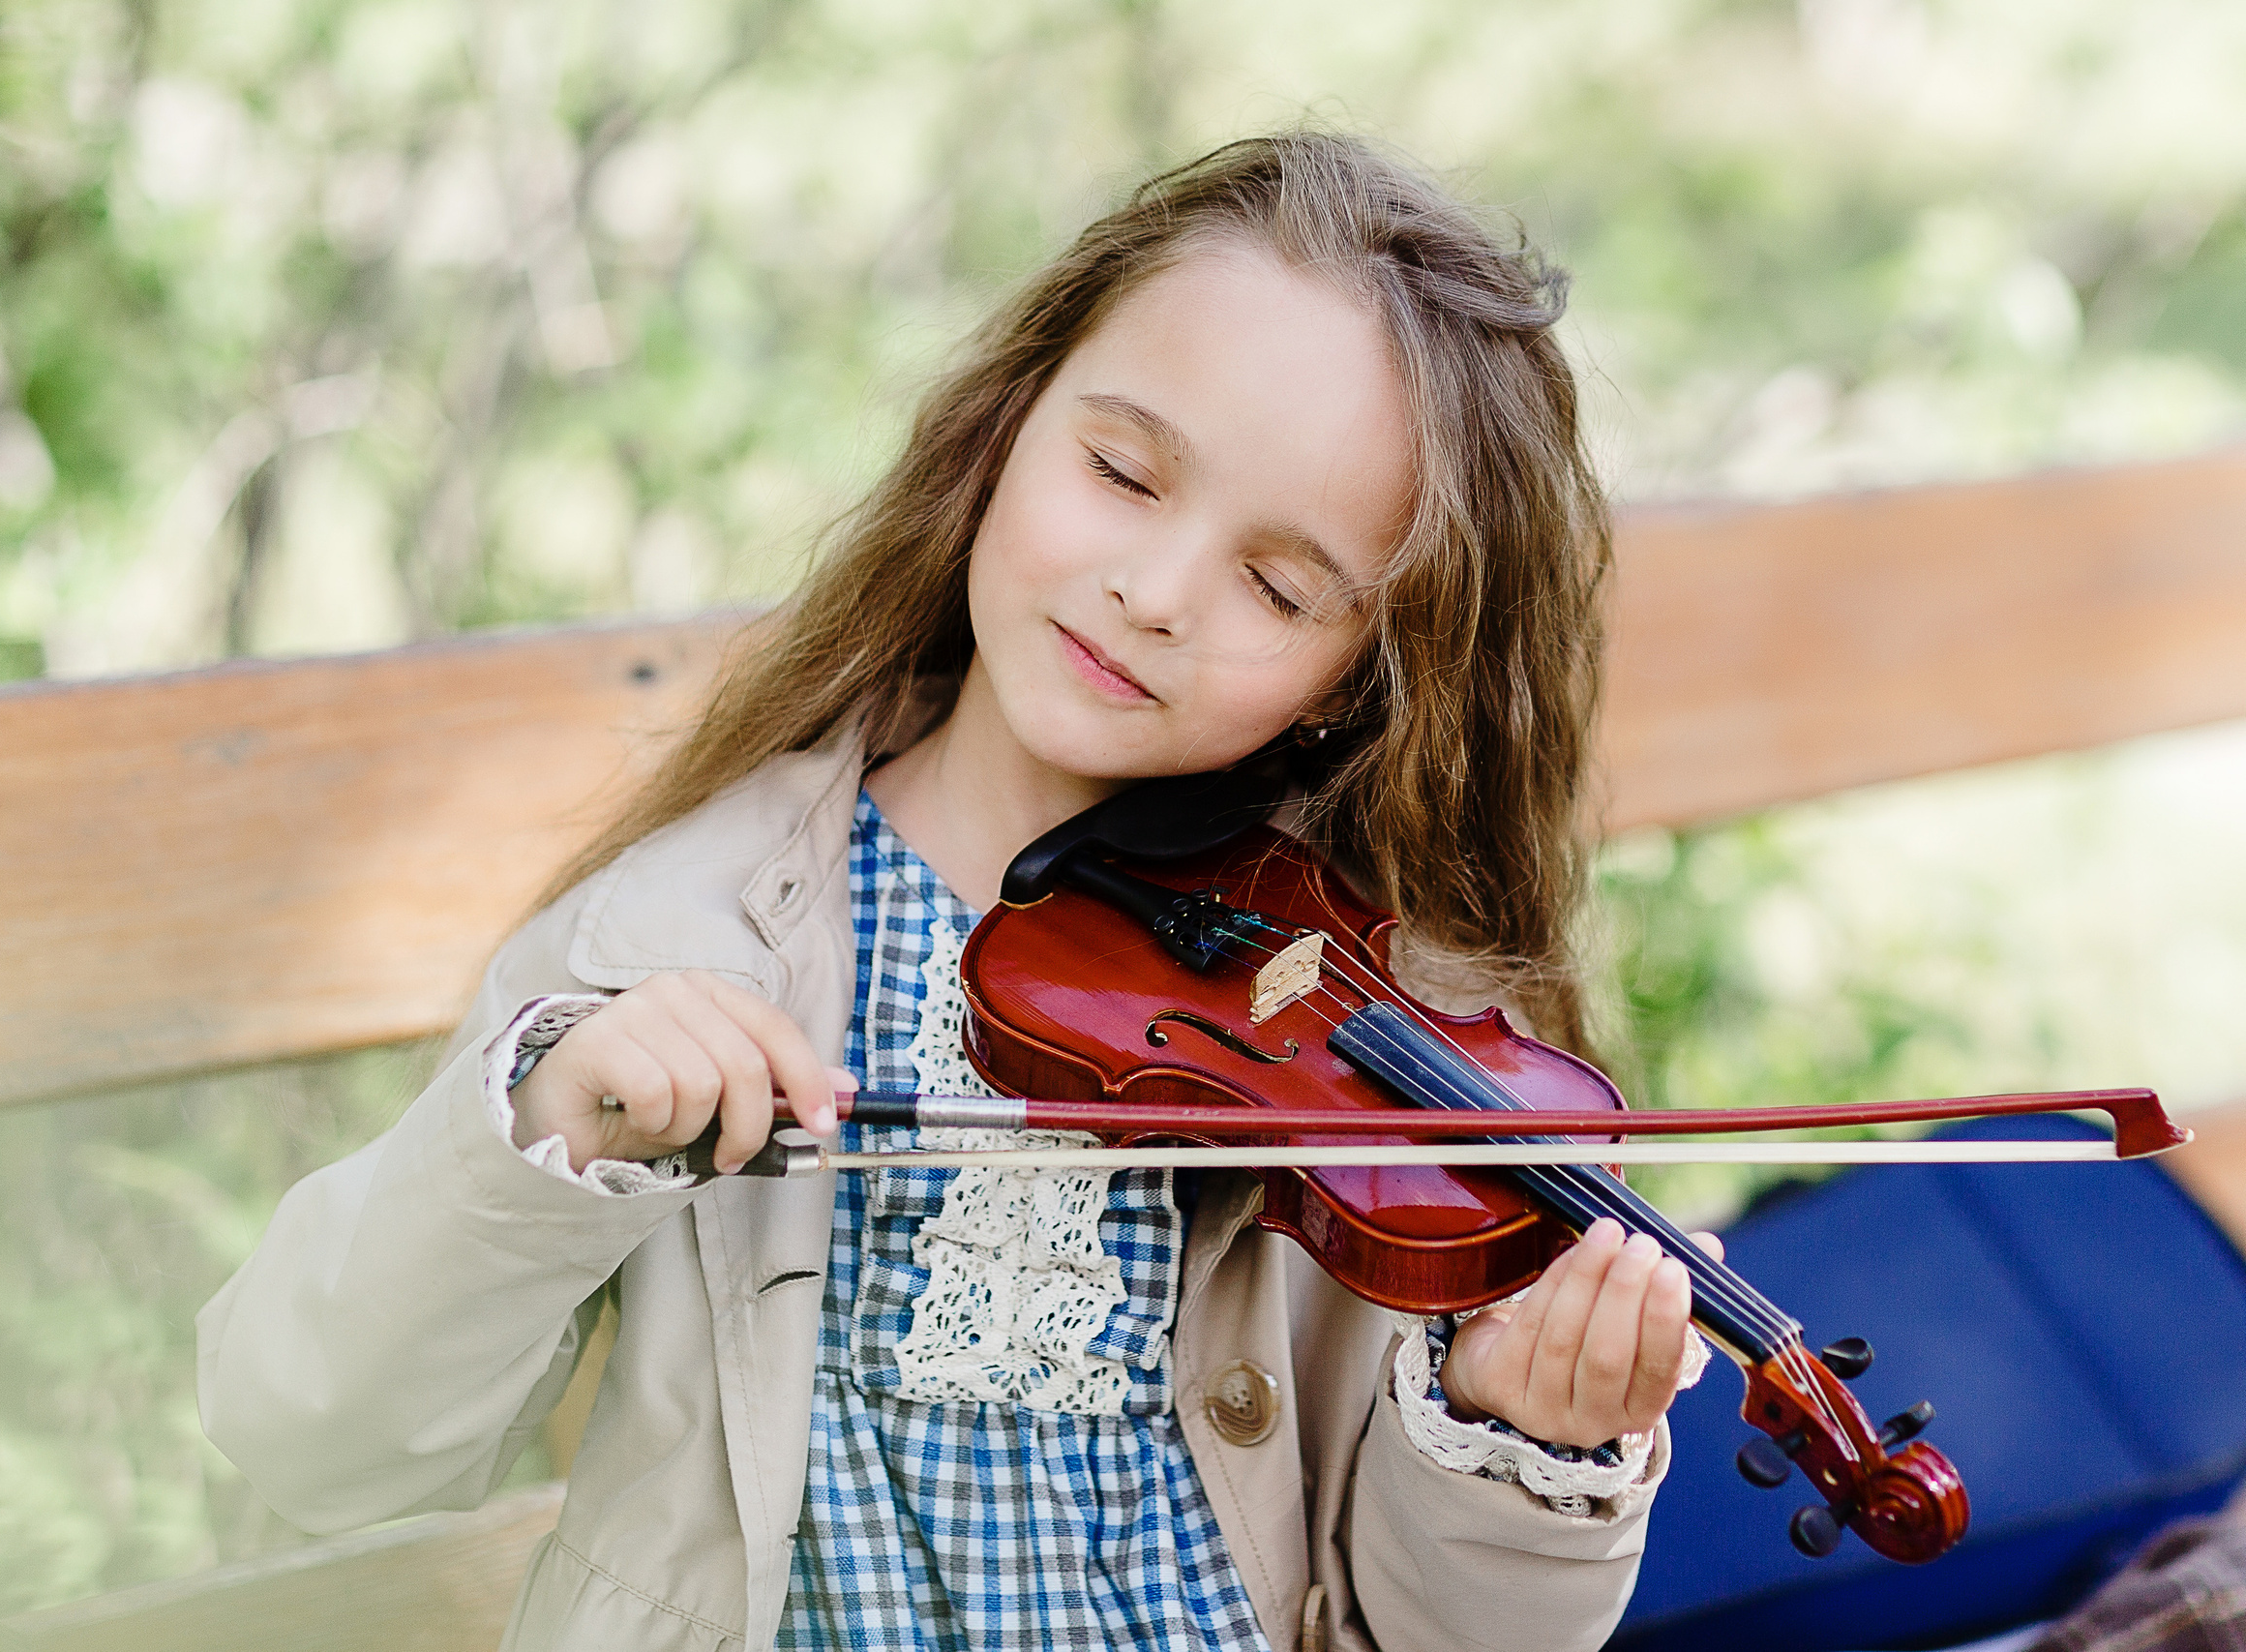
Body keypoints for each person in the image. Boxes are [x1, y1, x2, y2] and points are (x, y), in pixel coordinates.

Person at [197, 132, 1722, 1652]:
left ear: (1355, 680)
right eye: (1123, 472)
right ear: (1006, 426)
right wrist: (550, 1131)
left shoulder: (1360, 1034)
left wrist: (1523, 1439)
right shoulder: (675, 931)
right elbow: (313, 1434)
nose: (1158, 591)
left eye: (1277, 587)